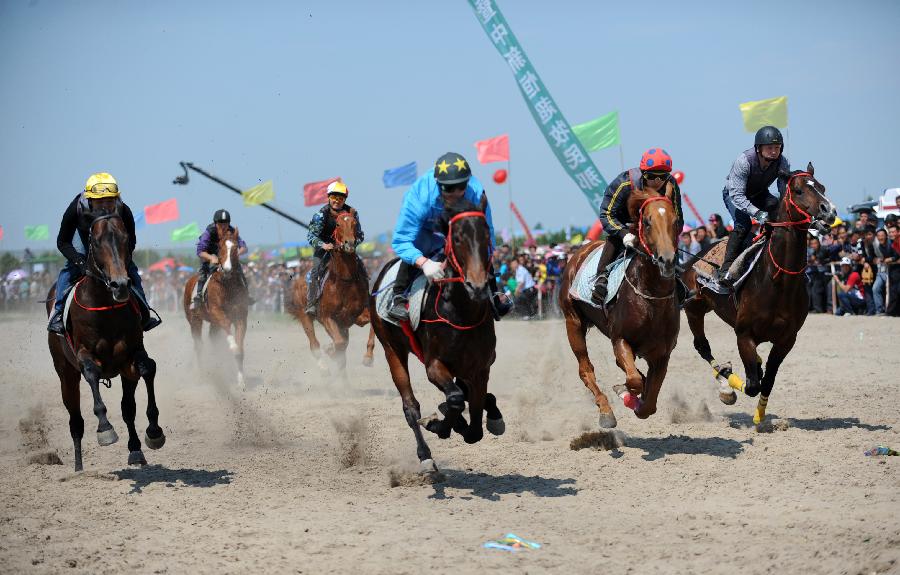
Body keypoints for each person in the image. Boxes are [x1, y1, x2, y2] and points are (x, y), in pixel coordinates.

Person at [388, 152, 511, 321]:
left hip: (458, 231)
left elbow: (486, 232)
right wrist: (424, 263)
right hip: (426, 230)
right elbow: (402, 240)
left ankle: (495, 296)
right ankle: (398, 296)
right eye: (448, 188)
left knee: (476, 247)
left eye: (461, 186)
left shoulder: (476, 193)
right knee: (421, 244)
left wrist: (485, 259)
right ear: (438, 184)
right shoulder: (419, 196)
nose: (456, 193)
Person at [48, 172, 161, 334]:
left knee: (132, 270)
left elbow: (131, 241)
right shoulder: (76, 209)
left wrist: (123, 261)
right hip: (83, 239)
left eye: (109, 201)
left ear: (116, 199)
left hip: (112, 242)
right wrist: (80, 263)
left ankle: (144, 311)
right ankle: (58, 314)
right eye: (100, 202)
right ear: (90, 200)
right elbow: (62, 242)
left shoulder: (123, 210)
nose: (105, 206)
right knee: (69, 269)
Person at [591, 148, 684, 305]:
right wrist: (623, 234)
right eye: (651, 176)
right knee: (613, 241)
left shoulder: (671, 184)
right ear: (642, 172)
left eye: (662, 176)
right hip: (624, 225)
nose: (657, 181)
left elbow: (678, 218)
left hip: (653, 230)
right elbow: (606, 214)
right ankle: (601, 278)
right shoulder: (624, 183)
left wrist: (667, 234)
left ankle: (679, 283)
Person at [715, 126, 791, 285]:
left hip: (759, 193)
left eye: (777, 148)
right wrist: (758, 213)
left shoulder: (782, 162)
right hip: (734, 195)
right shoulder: (744, 161)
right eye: (769, 148)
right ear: (758, 148)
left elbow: (783, 190)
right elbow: (738, 196)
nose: (774, 151)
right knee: (744, 224)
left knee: (775, 205)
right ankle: (726, 267)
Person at [305, 181, 365, 315]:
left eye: (340, 198)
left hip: (346, 250)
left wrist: (352, 244)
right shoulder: (320, 215)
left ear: (344, 199)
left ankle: (366, 299)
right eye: (334, 197)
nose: (337, 201)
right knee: (315, 272)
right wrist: (323, 245)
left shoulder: (352, 213)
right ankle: (312, 303)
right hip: (324, 249)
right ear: (328, 197)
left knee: (361, 267)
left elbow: (360, 235)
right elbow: (311, 236)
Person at [192, 209, 247, 308]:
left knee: (239, 270)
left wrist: (238, 253)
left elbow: (243, 246)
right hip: (209, 255)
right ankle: (198, 295)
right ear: (215, 223)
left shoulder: (232, 231)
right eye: (220, 224)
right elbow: (200, 251)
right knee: (203, 272)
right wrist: (210, 257)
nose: (223, 226)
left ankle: (246, 295)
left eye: (225, 224)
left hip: (226, 256)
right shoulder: (209, 232)